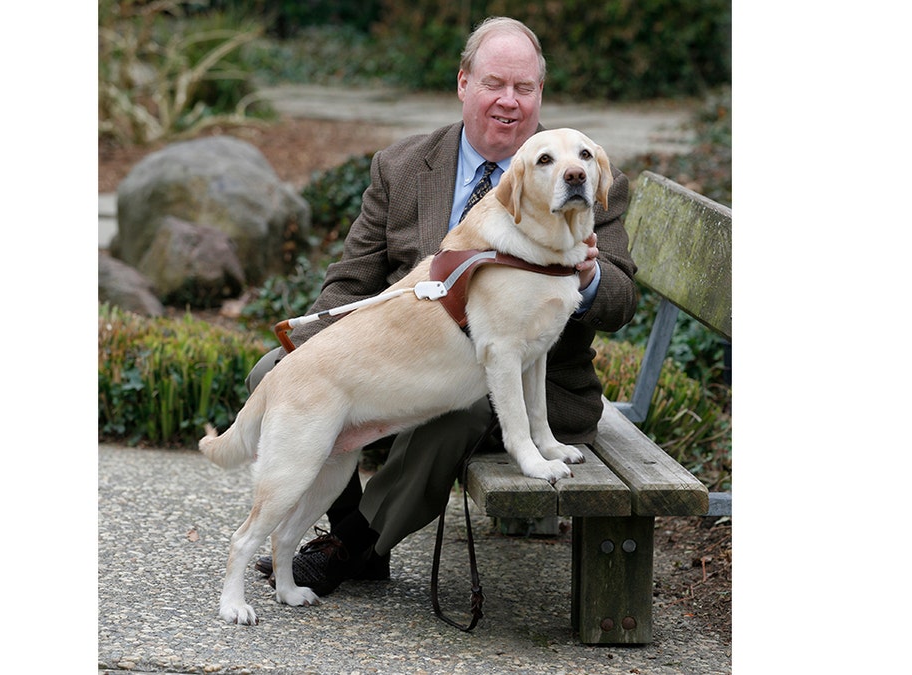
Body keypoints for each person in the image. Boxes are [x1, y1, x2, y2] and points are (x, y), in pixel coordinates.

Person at [245, 16, 639, 595]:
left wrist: (586, 276)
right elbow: (351, 281)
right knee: (276, 372)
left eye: (524, 88)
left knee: (461, 409)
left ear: (540, 95)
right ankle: (336, 523)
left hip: (534, 388)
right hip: (410, 359)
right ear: (463, 84)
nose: (509, 101)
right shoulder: (402, 168)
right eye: (493, 84)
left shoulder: (580, 170)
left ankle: (352, 547)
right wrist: (322, 353)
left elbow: (623, 298)